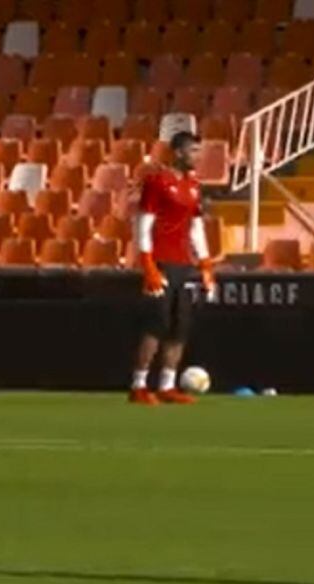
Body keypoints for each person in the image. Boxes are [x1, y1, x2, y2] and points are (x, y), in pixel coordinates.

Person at [128, 131, 216, 406]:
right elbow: (143, 225)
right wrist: (148, 265)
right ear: (178, 152)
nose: (198, 157)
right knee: (157, 324)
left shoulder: (194, 185)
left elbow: (196, 227)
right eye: (193, 151)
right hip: (162, 261)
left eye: (199, 151)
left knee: (180, 326)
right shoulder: (157, 182)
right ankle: (139, 385)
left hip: (183, 264)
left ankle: (167, 384)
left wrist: (205, 264)